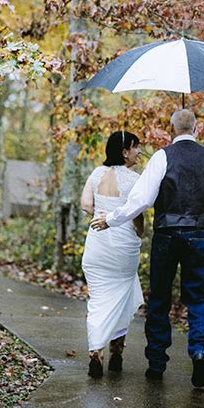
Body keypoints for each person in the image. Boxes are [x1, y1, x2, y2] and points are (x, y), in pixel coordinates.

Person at [91, 109, 204, 387]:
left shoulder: (162, 156)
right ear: (197, 128)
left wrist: (112, 219)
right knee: (197, 297)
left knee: (160, 298)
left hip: (167, 234)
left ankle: (156, 363)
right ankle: (199, 351)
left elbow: (141, 199)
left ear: (171, 127)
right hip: (199, 233)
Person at [81, 130, 144, 378]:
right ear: (124, 152)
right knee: (123, 295)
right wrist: (140, 231)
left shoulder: (96, 174)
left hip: (96, 245)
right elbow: (137, 213)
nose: (139, 151)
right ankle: (117, 351)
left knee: (98, 299)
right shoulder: (134, 178)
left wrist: (100, 214)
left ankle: (96, 350)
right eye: (135, 147)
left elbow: (86, 204)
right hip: (122, 245)